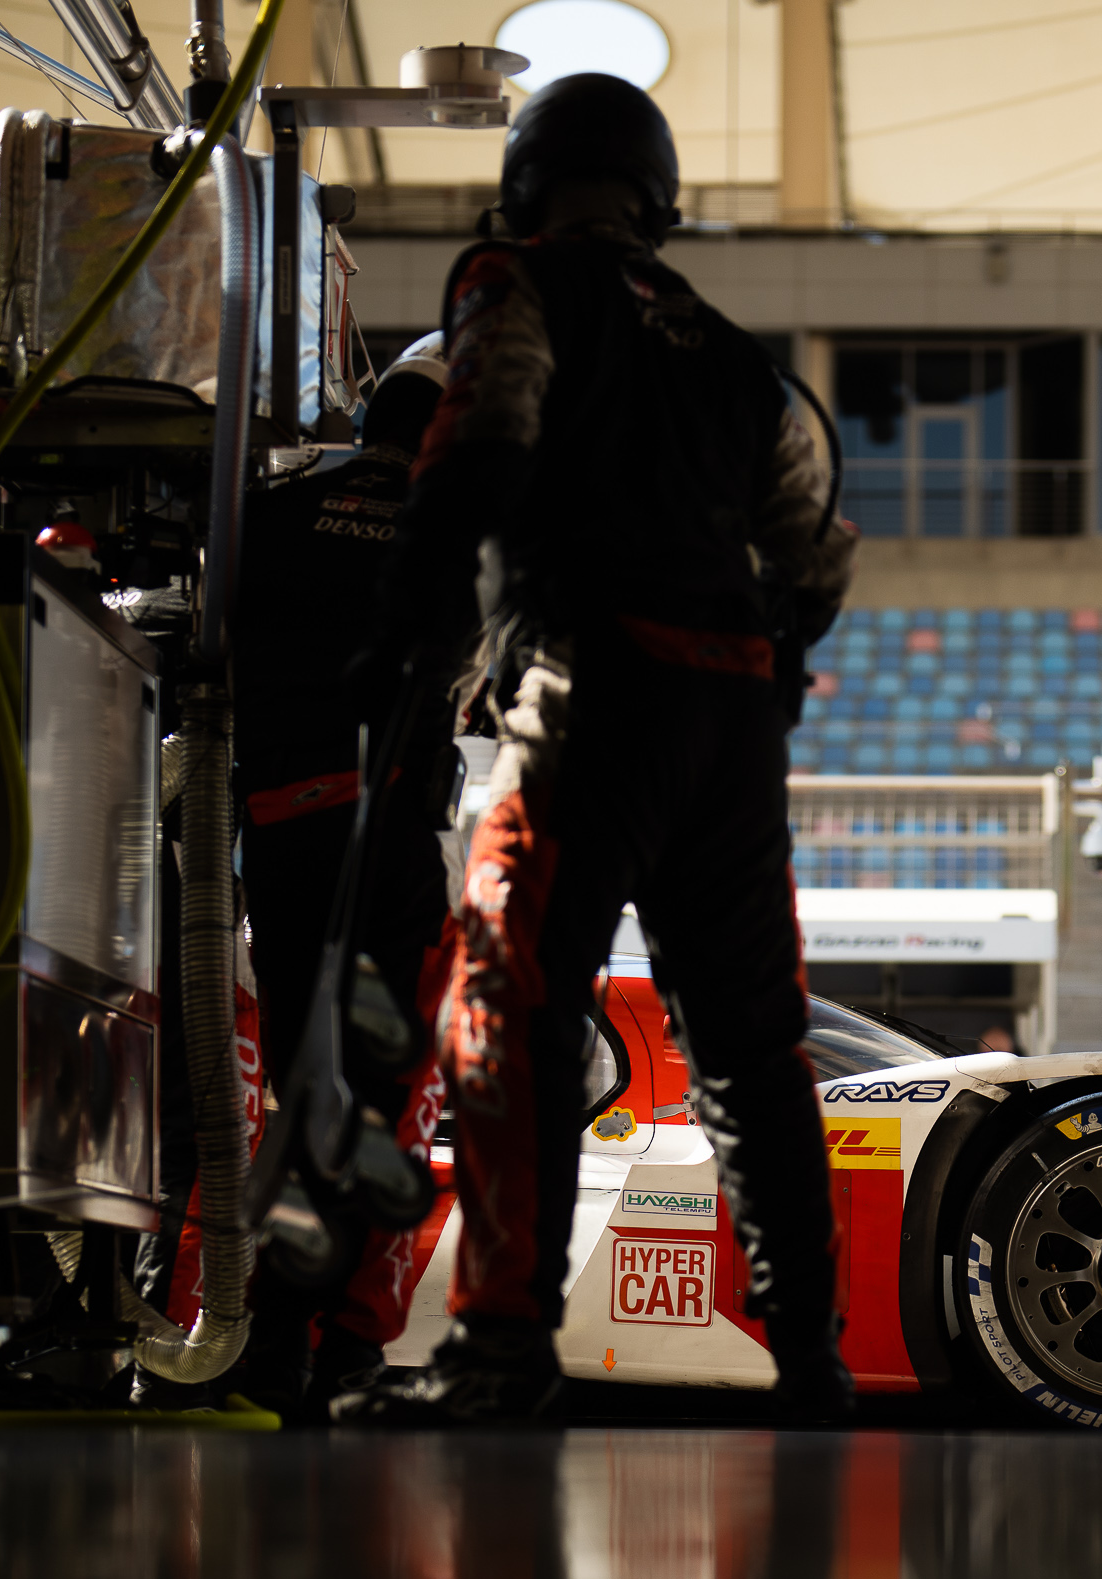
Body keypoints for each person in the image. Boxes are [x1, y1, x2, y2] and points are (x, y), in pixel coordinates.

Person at [337, 73, 860, 1427]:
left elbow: (481, 443)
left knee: (508, 1005)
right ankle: (811, 1357)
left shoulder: (516, 281)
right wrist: (763, 694)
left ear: (525, 188)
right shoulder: (748, 362)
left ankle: (502, 1345)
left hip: (586, 695)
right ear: (659, 199)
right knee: (753, 1047)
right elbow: (815, 550)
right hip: (732, 725)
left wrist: (408, 629)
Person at [135, 348, 462, 1414]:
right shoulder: (452, 523)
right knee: (376, 1105)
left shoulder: (271, 513)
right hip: (386, 853)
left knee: (291, 1094)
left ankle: (271, 1341)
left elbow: (193, 650)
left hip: (278, 847)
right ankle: (319, 1345)